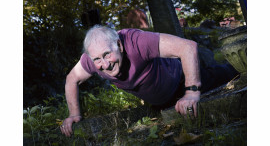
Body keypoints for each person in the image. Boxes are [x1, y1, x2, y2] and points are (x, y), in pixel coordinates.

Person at [60, 25, 238, 137]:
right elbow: (71, 79)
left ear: (119, 45)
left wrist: (191, 92)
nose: (105, 64)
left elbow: (187, 46)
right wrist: (74, 115)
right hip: (162, 100)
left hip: (181, 80)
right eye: (97, 59)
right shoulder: (90, 60)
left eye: (107, 54)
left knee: (230, 72)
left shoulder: (136, 41)